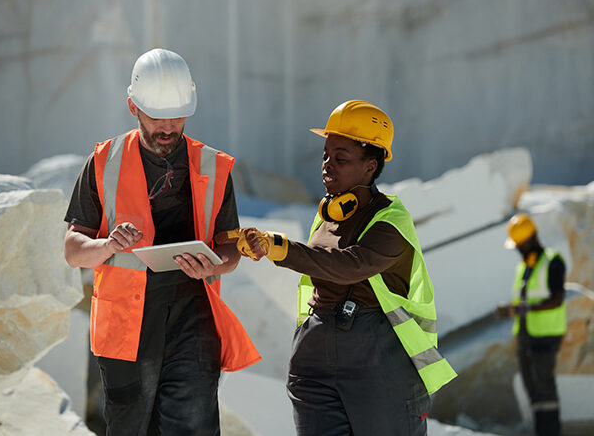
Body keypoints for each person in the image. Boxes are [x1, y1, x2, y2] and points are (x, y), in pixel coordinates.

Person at [216, 100, 457, 435]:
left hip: (378, 363)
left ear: (370, 167)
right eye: (326, 155)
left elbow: (348, 266)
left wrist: (279, 248)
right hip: (315, 356)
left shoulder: (390, 221)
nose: (327, 165)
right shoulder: (329, 213)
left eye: (341, 158)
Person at [63, 48, 260, 435]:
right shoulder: (103, 162)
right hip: (126, 328)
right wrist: (108, 246)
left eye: (177, 115)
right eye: (157, 116)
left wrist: (217, 264)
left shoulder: (215, 167)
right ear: (133, 106)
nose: (168, 127)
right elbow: (72, 250)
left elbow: (229, 248)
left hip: (193, 321)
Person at [496, 213, 566, 436]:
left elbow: (557, 299)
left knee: (544, 389)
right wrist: (510, 310)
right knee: (533, 390)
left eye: (519, 244)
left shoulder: (553, 261)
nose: (517, 248)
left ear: (531, 239)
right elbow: (524, 302)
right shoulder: (523, 267)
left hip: (545, 336)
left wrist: (520, 309)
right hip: (526, 337)